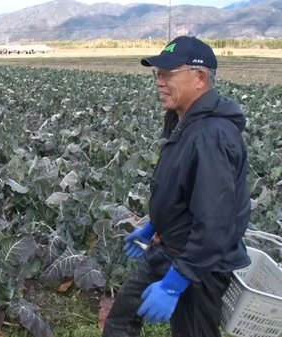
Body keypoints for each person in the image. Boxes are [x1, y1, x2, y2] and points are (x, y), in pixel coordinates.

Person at [102, 35, 251, 337]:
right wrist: (153, 226)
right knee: (121, 319)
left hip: (199, 266)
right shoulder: (183, 121)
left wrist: (174, 283)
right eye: (157, 73)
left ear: (199, 78)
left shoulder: (211, 135)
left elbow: (215, 222)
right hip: (169, 246)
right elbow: (181, 190)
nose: (160, 81)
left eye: (168, 73)